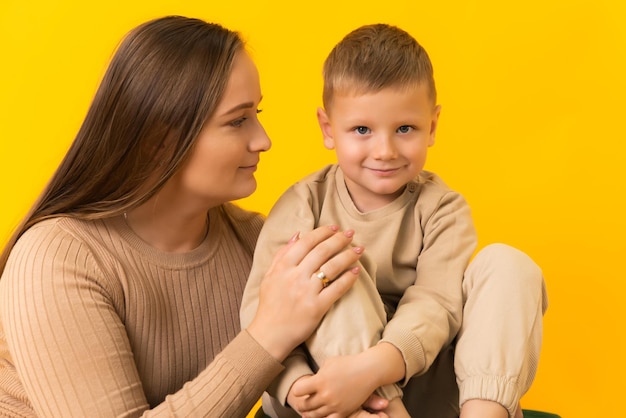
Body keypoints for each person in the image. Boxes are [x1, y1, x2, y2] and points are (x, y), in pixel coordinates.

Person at [0, 16, 394, 418]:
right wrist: (268, 334)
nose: (263, 140)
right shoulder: (58, 259)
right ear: (159, 140)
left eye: (257, 113)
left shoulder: (261, 245)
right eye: (237, 120)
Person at [240, 24, 548, 418]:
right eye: (362, 130)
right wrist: (294, 383)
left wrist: (370, 370)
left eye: (405, 129)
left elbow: (437, 304)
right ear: (328, 129)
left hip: (415, 384)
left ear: (432, 126)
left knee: (509, 264)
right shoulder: (303, 203)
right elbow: (260, 309)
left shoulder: (443, 209)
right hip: (326, 393)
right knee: (329, 261)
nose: (384, 151)